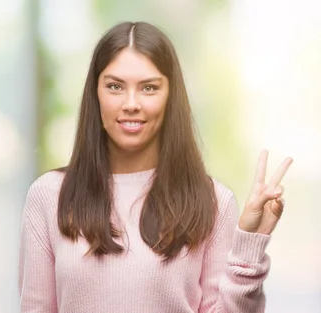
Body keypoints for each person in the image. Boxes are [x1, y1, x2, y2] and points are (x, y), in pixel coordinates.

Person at [17, 21, 293, 313]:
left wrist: (249, 247)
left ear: (170, 96)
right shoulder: (48, 196)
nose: (131, 103)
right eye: (115, 86)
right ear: (95, 93)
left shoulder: (214, 202)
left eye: (149, 88)